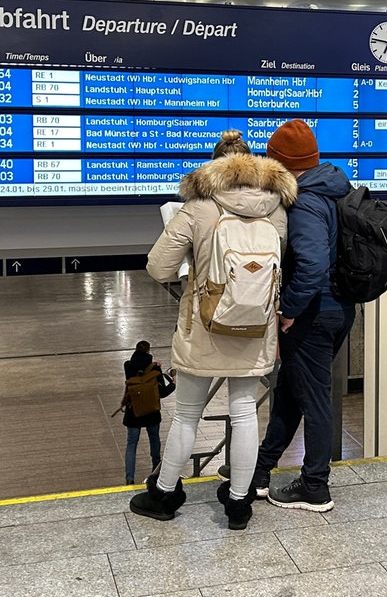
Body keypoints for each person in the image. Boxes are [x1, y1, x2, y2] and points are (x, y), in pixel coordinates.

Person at [130, 129, 297, 529]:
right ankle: (239, 503)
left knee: (187, 414)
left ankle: (165, 493)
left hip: (203, 327)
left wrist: (195, 264)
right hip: (255, 329)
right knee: (243, 413)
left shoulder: (199, 206)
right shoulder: (276, 209)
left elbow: (158, 267)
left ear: (214, 165)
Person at [246, 118, 356, 512]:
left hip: (313, 313)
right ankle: (259, 472)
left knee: (314, 400)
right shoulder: (332, 187)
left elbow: (311, 263)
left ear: (283, 164)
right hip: (336, 308)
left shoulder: (306, 200)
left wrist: (289, 310)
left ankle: (315, 486)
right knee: (292, 392)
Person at [122, 340, 176, 485]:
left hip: (134, 412)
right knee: (154, 439)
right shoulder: (155, 369)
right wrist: (173, 383)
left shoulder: (127, 366)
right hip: (152, 412)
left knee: (131, 443)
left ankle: (129, 478)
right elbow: (163, 393)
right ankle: (156, 470)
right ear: (149, 351)